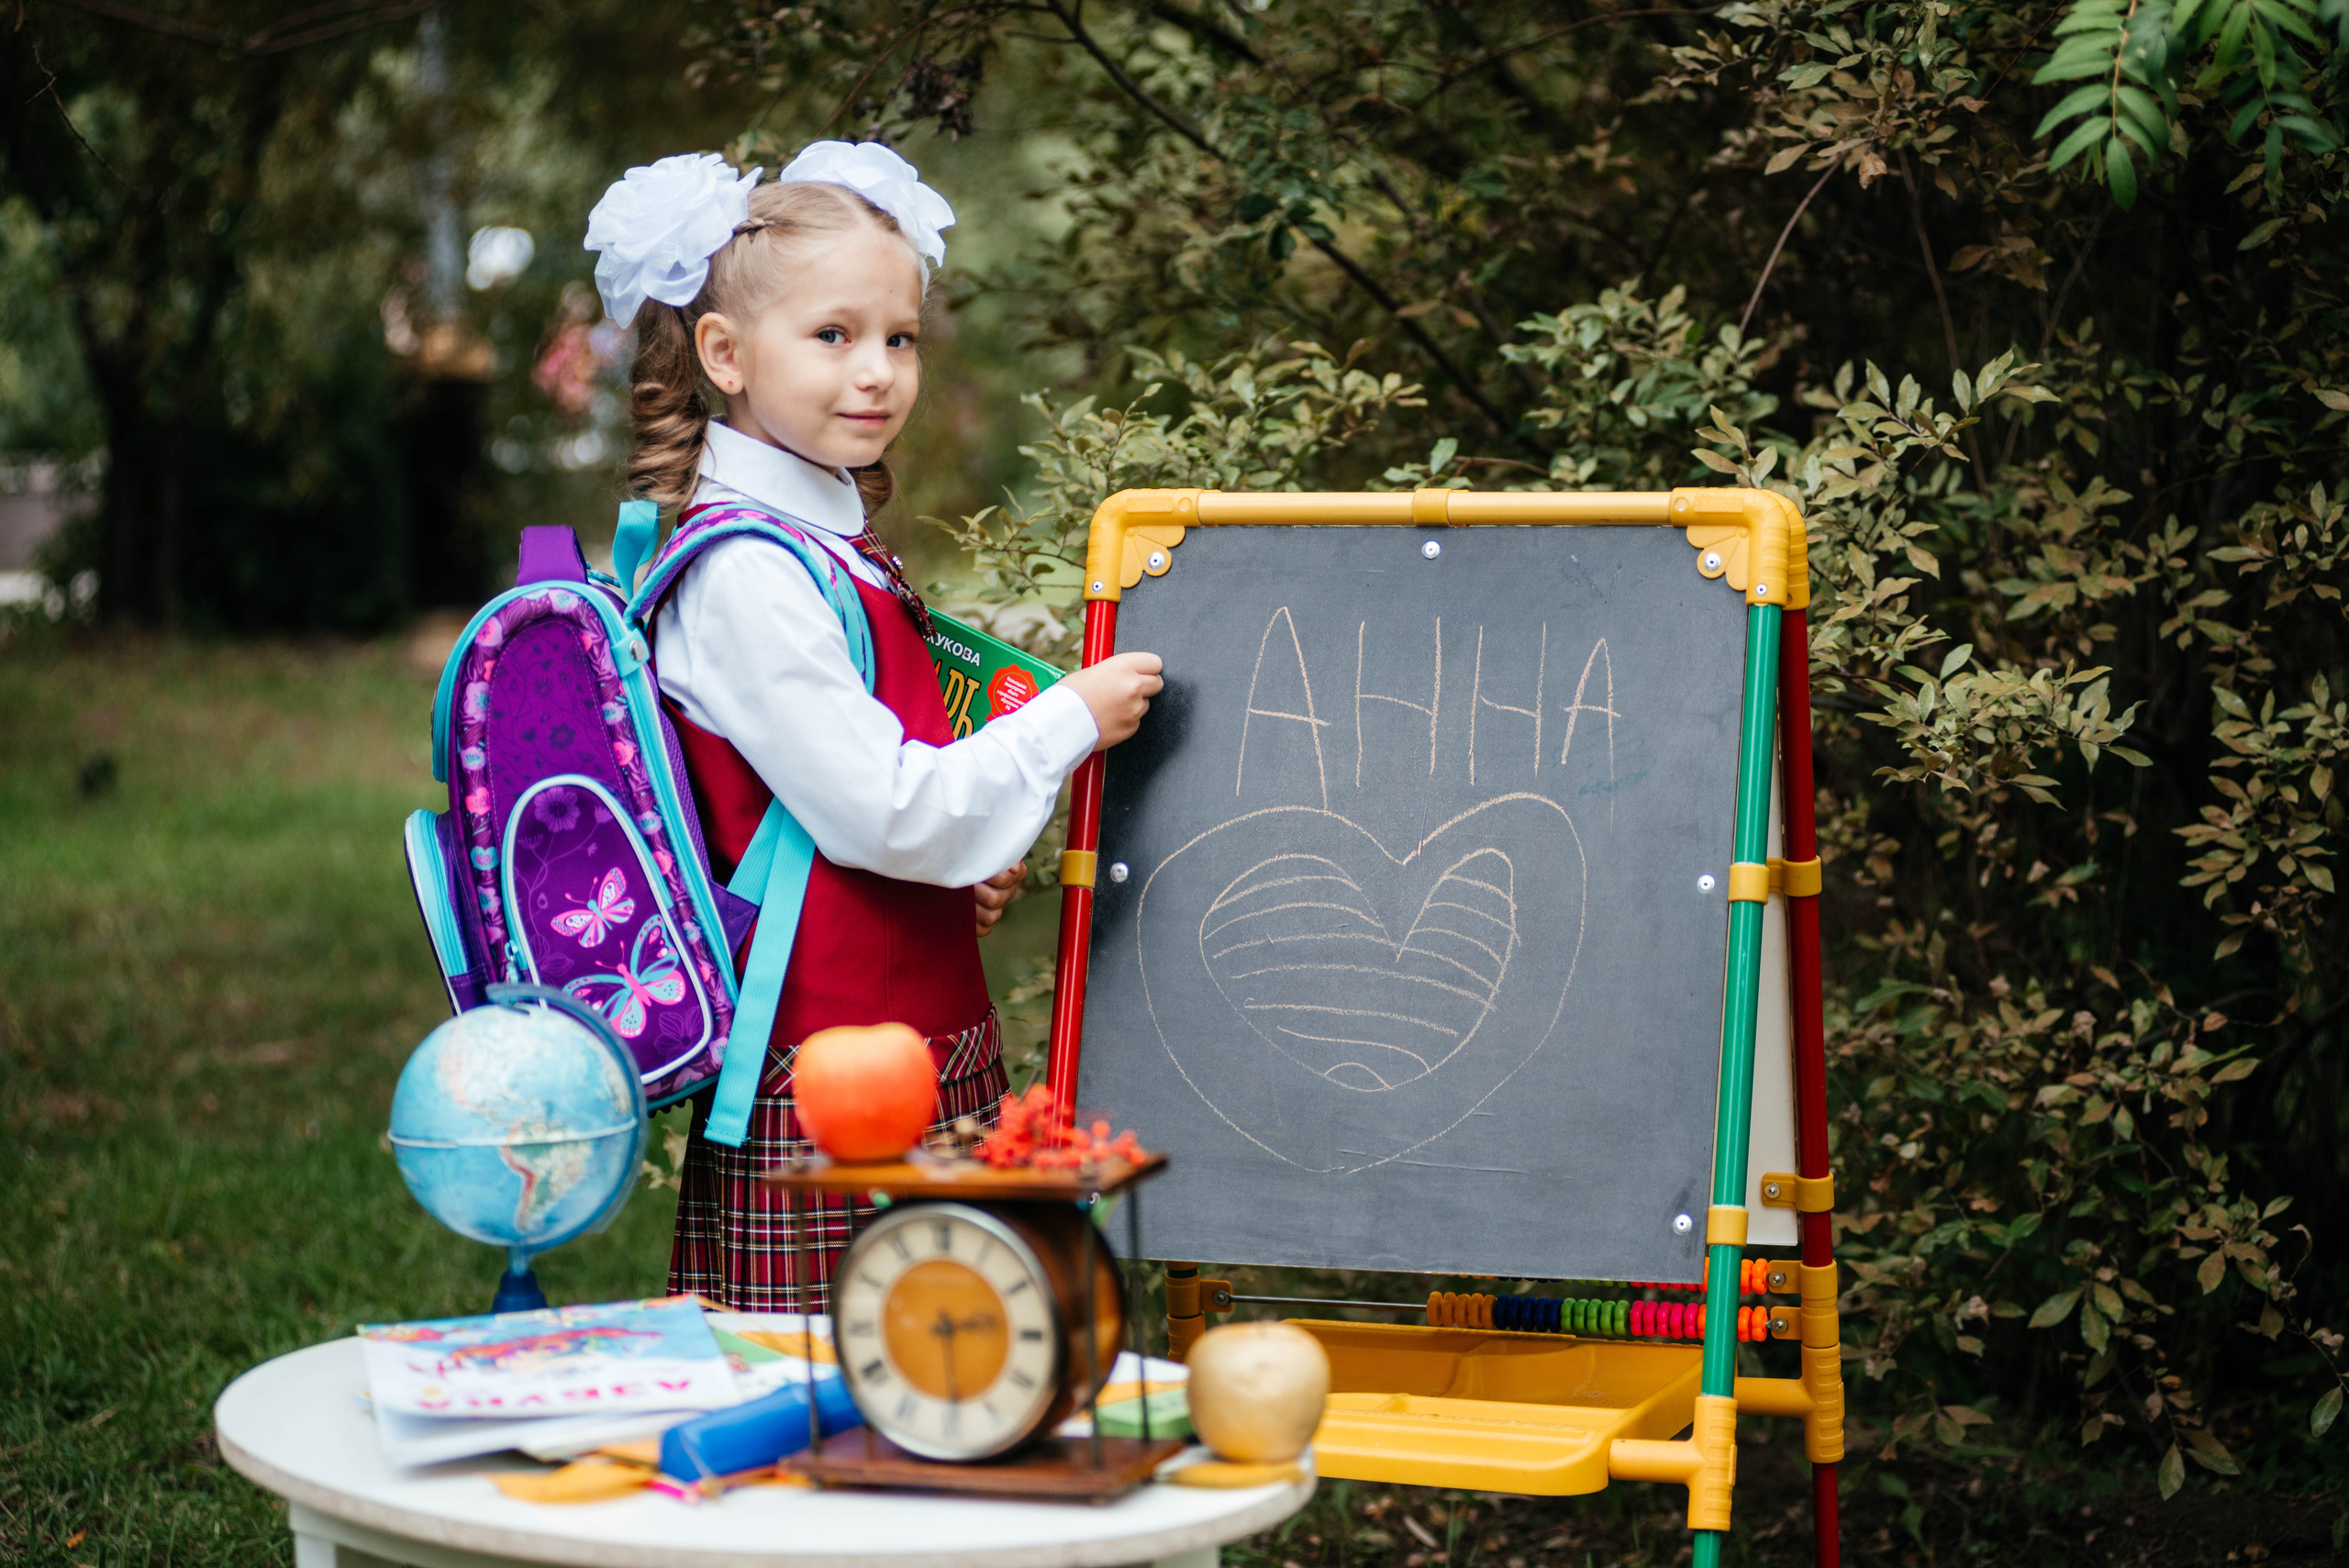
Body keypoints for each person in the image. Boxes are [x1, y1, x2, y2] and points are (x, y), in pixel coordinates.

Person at [584, 144, 1163, 1310]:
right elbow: (883, 807)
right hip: (830, 1068)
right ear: (725, 356)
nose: (877, 372)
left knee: (945, 1376)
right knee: (831, 1398)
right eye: (834, 335)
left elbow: (851, 804)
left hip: (913, 1036)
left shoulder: (821, 543)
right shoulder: (747, 569)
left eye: (898, 338)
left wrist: (946, 878)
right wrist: (1065, 722)